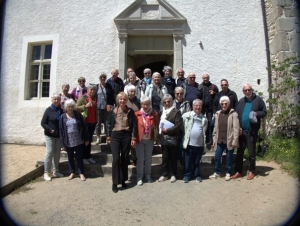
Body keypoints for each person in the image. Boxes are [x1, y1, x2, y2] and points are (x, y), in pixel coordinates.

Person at [231, 83, 267, 180]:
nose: (247, 92)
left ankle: (252, 171)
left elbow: (264, 112)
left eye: (249, 90)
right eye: (245, 90)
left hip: (252, 132)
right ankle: (239, 171)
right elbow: (237, 116)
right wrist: (239, 128)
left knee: (251, 153)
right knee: (239, 153)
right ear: (243, 92)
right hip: (242, 132)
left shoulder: (258, 100)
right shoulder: (241, 101)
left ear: (252, 90)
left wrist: (256, 113)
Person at [106, 92, 137, 193]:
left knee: (124, 158)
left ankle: (123, 180)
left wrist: (133, 138)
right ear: (118, 100)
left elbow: (134, 125)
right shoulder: (113, 111)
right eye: (120, 99)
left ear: (126, 100)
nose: (122, 101)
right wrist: (108, 137)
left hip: (126, 136)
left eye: (124, 99)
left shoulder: (130, 111)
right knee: (116, 158)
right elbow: (109, 124)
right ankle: (115, 182)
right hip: (115, 135)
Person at [209, 96, 240, 181]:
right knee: (217, 156)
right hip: (220, 139)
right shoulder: (218, 114)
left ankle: (228, 173)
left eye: (226, 103)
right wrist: (214, 138)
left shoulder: (233, 114)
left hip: (229, 139)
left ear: (229, 104)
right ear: (220, 104)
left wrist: (235, 140)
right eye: (222, 104)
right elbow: (215, 127)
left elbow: (236, 128)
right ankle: (217, 172)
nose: (224, 105)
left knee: (229, 158)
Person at [59, 99, 89, 181]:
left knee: (79, 157)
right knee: (70, 157)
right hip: (68, 140)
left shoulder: (78, 115)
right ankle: (72, 172)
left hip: (78, 139)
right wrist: (62, 144)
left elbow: (85, 126)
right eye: (69, 107)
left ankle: (81, 173)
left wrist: (86, 138)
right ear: (66, 108)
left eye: (72, 106)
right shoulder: (62, 117)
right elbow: (61, 131)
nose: (70, 108)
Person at [181, 99, 208, 183]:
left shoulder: (204, 118)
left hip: (199, 144)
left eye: (200, 105)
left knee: (197, 162)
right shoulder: (186, 116)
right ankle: (187, 176)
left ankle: (197, 175)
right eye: (196, 105)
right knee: (187, 161)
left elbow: (204, 130)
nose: (198, 107)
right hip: (189, 143)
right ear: (192, 106)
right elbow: (182, 128)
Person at [135, 96, 159, 186]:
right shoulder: (137, 114)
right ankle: (139, 178)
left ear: (150, 105)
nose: (146, 106)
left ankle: (148, 176)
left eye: (147, 104)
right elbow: (134, 127)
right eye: (144, 104)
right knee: (140, 159)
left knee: (148, 159)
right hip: (140, 140)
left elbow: (157, 124)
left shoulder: (154, 114)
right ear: (141, 104)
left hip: (149, 139)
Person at [158, 94, 182, 183]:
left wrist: (168, 130)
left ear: (172, 102)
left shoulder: (176, 112)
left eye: (168, 101)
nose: (167, 103)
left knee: (173, 158)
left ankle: (173, 174)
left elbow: (178, 125)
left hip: (173, 138)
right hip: (164, 138)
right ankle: (164, 174)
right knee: (165, 158)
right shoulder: (162, 112)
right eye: (165, 102)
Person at [41, 93, 64, 181]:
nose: (56, 101)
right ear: (52, 100)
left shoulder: (61, 110)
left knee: (57, 153)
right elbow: (43, 123)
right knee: (49, 152)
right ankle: (46, 173)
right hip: (49, 135)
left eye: (58, 99)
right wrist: (50, 129)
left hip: (58, 136)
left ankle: (55, 171)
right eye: (54, 99)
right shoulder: (48, 110)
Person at [209, 79, 238, 149]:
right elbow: (214, 105)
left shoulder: (233, 94)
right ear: (220, 86)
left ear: (228, 85)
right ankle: (211, 140)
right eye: (222, 85)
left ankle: (227, 144)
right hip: (220, 115)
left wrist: (234, 114)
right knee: (211, 124)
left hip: (230, 115)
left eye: (225, 85)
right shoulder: (218, 94)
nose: (224, 86)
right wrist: (216, 113)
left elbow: (236, 105)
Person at [76, 85, 97, 165]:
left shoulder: (94, 98)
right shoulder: (83, 97)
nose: (92, 91)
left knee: (90, 140)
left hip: (93, 122)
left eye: (94, 90)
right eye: (91, 90)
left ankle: (88, 156)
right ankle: (83, 157)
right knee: (85, 140)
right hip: (85, 122)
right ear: (88, 90)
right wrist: (85, 106)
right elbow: (76, 107)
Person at [173, 86, 191, 167]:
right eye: (177, 93)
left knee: (181, 144)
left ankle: (178, 160)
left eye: (181, 93)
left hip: (183, 126)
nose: (179, 95)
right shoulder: (171, 102)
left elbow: (189, 114)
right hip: (173, 127)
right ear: (175, 94)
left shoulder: (186, 103)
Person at [201, 73, 219, 147]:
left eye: (207, 78)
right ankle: (202, 140)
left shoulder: (213, 86)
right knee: (201, 124)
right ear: (202, 78)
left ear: (209, 78)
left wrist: (214, 93)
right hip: (201, 108)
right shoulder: (200, 86)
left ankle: (209, 140)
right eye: (204, 78)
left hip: (210, 109)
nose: (205, 79)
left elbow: (219, 95)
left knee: (209, 124)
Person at [126, 85, 141, 166]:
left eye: (133, 92)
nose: (132, 93)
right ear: (128, 92)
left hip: (136, 123)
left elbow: (141, 111)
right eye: (130, 91)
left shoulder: (138, 101)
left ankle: (134, 158)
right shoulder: (125, 100)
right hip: (126, 123)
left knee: (133, 141)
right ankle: (126, 158)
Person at [95, 73, 108, 144]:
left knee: (107, 123)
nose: (102, 78)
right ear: (99, 78)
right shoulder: (97, 86)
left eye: (104, 77)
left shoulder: (108, 86)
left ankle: (107, 137)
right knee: (98, 123)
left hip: (106, 107)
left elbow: (110, 96)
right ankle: (98, 138)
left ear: (105, 78)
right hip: (98, 107)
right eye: (101, 77)